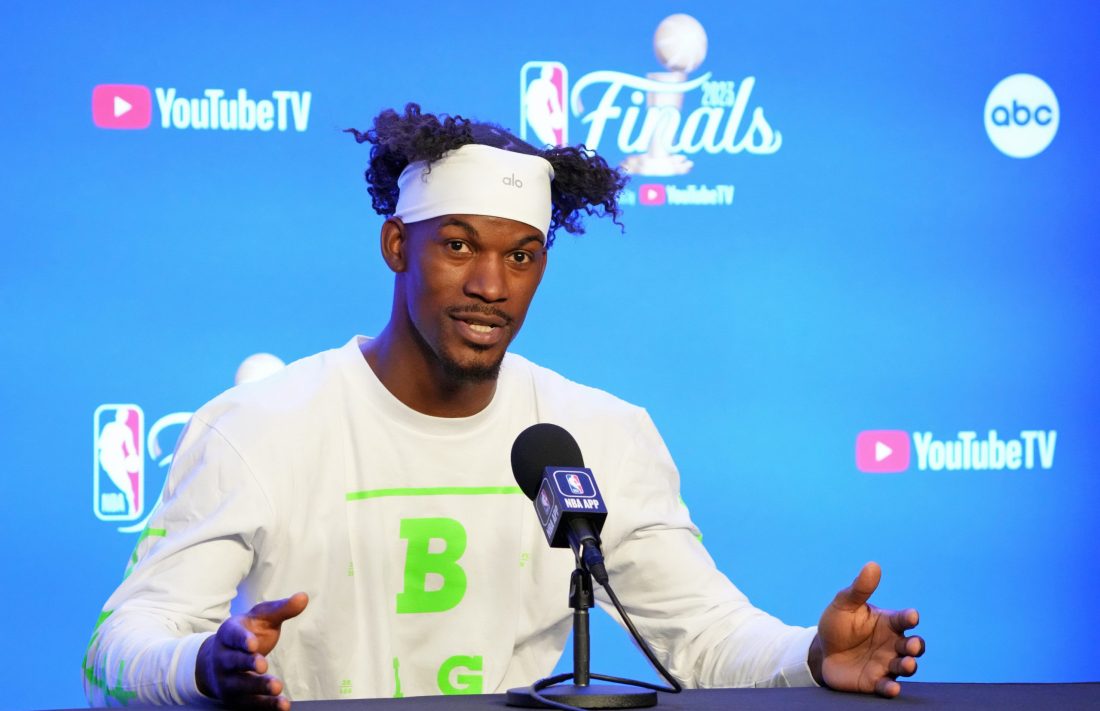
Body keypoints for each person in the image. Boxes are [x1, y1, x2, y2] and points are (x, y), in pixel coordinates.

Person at [83, 103, 924, 709]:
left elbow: (700, 634)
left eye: (521, 255)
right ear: (395, 244)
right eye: (458, 246)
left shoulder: (601, 433)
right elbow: (114, 654)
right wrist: (204, 664)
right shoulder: (259, 426)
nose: (491, 285)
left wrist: (808, 657)